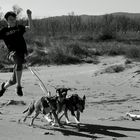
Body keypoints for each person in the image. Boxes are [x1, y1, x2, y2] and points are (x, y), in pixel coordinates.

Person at [0, 9, 33, 97]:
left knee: (13, 80)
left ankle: (4, 87)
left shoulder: (19, 28)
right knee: (18, 61)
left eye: (14, 19)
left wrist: (29, 16)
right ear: (7, 20)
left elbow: (30, 28)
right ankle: (19, 86)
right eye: (10, 19)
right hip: (12, 54)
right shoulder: (3, 31)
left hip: (22, 54)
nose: (13, 20)